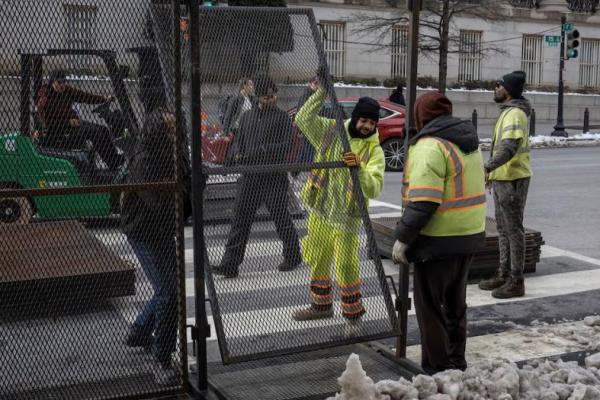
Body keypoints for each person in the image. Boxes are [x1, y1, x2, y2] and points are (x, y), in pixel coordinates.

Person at [392, 91, 486, 374]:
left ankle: (438, 370)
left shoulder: (430, 146)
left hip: (438, 240)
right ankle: (457, 361)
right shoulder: (469, 141)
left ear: (421, 115)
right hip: (469, 234)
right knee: (456, 305)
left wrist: (403, 238)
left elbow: (424, 201)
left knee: (430, 308)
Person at [292, 82, 385, 337]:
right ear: (355, 118)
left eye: (371, 123)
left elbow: (375, 187)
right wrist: (320, 91)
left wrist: (360, 170)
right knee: (317, 258)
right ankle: (321, 305)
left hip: (346, 218)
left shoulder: (374, 150)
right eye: (363, 120)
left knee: (345, 266)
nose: (367, 126)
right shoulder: (332, 131)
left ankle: (353, 316)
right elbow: (302, 118)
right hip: (320, 210)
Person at [121, 107, 192, 384]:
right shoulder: (145, 159)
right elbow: (160, 203)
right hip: (144, 230)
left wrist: (183, 187)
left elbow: (181, 196)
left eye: (175, 128)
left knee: (166, 288)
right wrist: (182, 188)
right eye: (167, 129)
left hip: (162, 230)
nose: (172, 133)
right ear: (155, 131)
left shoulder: (175, 153)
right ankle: (162, 358)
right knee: (169, 292)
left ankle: (139, 331)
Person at [212, 76, 302, 278]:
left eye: (272, 96)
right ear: (258, 97)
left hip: (273, 176)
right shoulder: (247, 117)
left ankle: (293, 255)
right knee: (240, 220)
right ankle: (230, 264)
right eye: (265, 97)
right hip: (250, 175)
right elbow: (238, 141)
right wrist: (235, 154)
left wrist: (265, 149)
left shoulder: (282, 118)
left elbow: (288, 145)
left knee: (281, 217)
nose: (270, 100)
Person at [478, 71, 532, 299]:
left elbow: (509, 148)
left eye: (498, 85)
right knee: (503, 229)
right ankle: (503, 273)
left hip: (513, 179)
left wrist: (486, 167)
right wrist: (492, 173)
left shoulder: (515, 114)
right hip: (503, 178)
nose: (495, 88)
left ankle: (516, 280)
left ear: (507, 89)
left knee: (513, 230)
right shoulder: (508, 112)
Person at [35, 70, 122, 171]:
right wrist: (67, 122)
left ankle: (115, 161)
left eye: (64, 82)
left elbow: (84, 96)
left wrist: (103, 99)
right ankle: (113, 163)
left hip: (73, 125)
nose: (62, 85)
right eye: (59, 83)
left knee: (103, 129)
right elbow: (46, 123)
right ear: (52, 82)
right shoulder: (46, 98)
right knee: (95, 133)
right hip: (58, 130)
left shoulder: (66, 91)